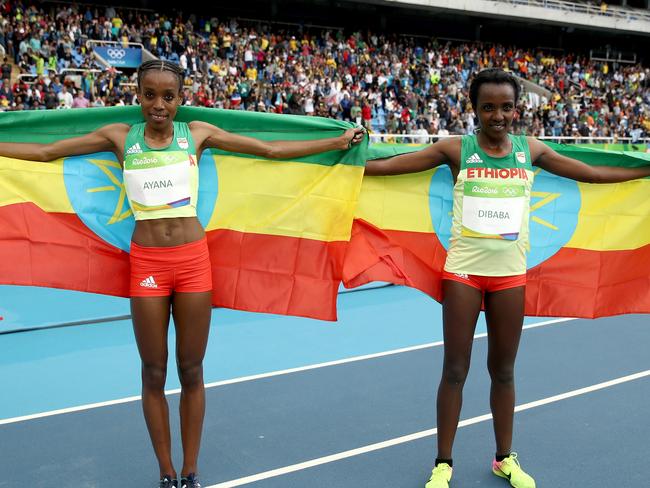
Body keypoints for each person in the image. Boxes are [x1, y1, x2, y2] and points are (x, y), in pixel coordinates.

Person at [0, 59, 364, 488]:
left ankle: (191, 470)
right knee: (153, 371)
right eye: (150, 95)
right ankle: (166, 472)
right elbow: (45, 152)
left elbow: (270, 150)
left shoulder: (197, 136)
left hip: (193, 263)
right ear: (137, 96)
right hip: (147, 266)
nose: (159, 105)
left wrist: (337, 143)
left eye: (168, 97)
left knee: (192, 369)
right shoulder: (119, 137)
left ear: (180, 100)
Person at [365, 68, 650, 488]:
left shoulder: (529, 150)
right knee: (455, 370)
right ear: (475, 109)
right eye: (488, 107)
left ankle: (504, 458)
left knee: (503, 371)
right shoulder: (456, 150)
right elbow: (390, 167)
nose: (498, 115)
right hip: (463, 273)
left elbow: (590, 172)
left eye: (506, 107)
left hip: (509, 277)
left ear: (517, 109)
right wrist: (344, 157)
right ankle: (443, 463)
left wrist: (644, 172)